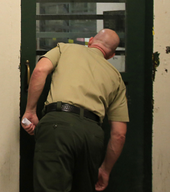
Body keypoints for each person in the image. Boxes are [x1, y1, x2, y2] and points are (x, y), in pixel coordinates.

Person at [21, 29, 128, 192]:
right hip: (92, 134)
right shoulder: (116, 78)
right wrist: (105, 170)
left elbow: (40, 71)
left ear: (91, 41)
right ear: (112, 55)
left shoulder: (65, 49)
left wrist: (30, 111)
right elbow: (119, 134)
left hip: (58, 126)